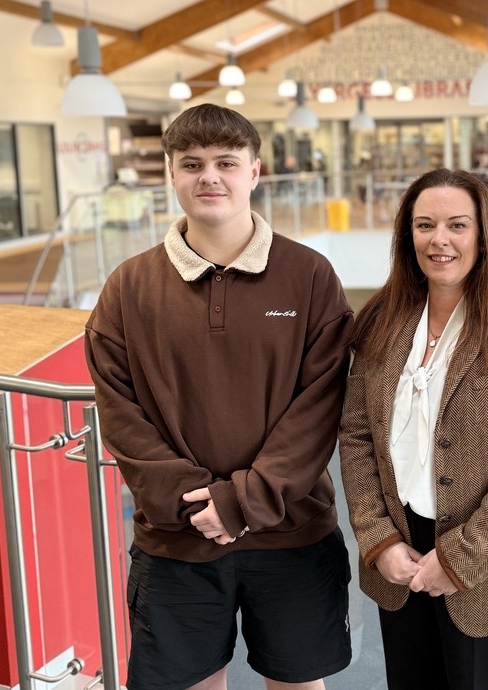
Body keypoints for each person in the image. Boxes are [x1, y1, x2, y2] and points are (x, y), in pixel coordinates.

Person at [85, 104, 353, 690]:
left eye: (226, 163)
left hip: (292, 532)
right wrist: (194, 503)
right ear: (171, 175)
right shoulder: (127, 287)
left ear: (254, 173)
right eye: (192, 163)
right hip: (176, 539)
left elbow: (320, 404)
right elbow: (119, 409)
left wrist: (244, 501)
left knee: (296, 682)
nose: (209, 176)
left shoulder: (310, 275)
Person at [338, 168, 488, 690]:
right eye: (425, 225)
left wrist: (461, 558)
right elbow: (355, 438)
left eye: (457, 225)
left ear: (483, 235)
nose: (439, 240)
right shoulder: (379, 321)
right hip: (400, 558)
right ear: (407, 236)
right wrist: (379, 539)